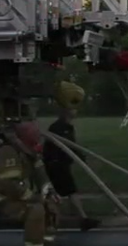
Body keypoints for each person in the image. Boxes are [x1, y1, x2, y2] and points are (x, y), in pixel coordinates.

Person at [43, 81, 100, 232]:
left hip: (61, 164)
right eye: (72, 108)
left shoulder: (67, 128)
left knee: (67, 192)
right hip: (56, 164)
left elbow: (72, 147)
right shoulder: (57, 128)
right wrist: (80, 158)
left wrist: (82, 158)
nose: (75, 111)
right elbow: (65, 147)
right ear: (65, 111)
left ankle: (73, 218)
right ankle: (79, 219)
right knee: (69, 191)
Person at [0, 121, 56, 246]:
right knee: (36, 209)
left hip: (21, 197)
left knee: (51, 206)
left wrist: (49, 193)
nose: (38, 138)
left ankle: (46, 242)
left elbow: (41, 176)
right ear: (25, 136)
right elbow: (10, 184)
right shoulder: (8, 152)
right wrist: (34, 198)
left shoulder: (29, 153)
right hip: (4, 200)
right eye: (35, 134)